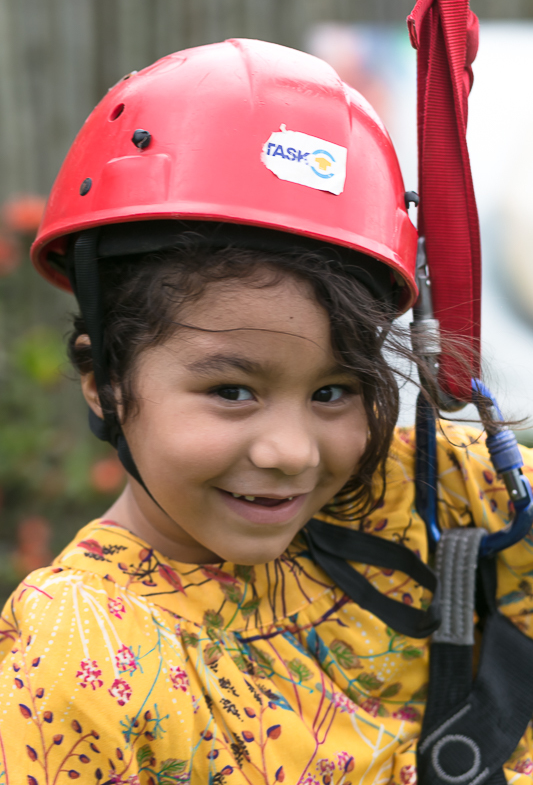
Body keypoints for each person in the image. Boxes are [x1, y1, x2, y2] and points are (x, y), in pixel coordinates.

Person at [1, 39, 533, 785]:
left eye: (332, 391)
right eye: (232, 392)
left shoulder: (423, 501)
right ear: (105, 379)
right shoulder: (80, 652)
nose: (291, 451)